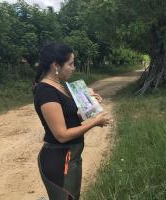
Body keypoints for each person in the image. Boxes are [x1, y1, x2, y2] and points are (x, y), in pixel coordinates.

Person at [33, 42, 110, 199]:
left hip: (71, 157)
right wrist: (95, 122)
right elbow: (62, 134)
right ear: (56, 65)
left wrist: (92, 105)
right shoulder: (46, 92)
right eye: (70, 63)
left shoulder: (61, 87)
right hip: (60, 159)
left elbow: (72, 119)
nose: (73, 68)